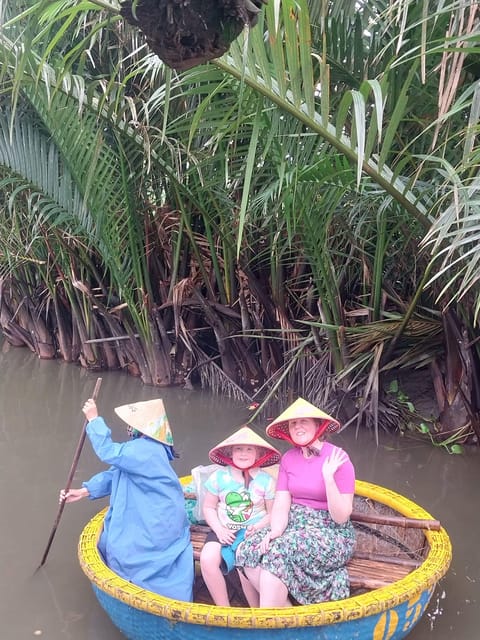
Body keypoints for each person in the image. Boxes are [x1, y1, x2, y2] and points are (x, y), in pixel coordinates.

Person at [60, 397, 194, 602]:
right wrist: (85, 490)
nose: (128, 427)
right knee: (114, 539)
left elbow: (108, 452)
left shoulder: (146, 449)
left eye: (132, 424)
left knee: (133, 550)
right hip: (152, 511)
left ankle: (154, 594)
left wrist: (94, 419)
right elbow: (116, 473)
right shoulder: (142, 449)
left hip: (156, 518)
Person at [235, 397, 355, 607]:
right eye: (293, 423)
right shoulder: (289, 458)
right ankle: (283, 613)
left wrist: (328, 478)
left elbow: (341, 516)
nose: (298, 426)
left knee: (277, 553)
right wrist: (275, 531)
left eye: (304, 421)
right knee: (247, 549)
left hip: (330, 531)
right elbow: (282, 503)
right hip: (295, 524)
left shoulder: (338, 458)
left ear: (318, 425)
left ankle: (267, 622)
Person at [200, 425, 280, 606]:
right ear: (230, 452)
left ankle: (257, 611)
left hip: (254, 532)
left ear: (258, 454)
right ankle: (224, 608)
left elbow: (272, 514)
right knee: (207, 559)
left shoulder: (266, 481)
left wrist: (257, 527)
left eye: (249, 449)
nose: (243, 453)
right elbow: (209, 508)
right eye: (238, 449)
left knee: (247, 561)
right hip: (223, 530)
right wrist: (219, 530)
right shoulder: (219, 477)